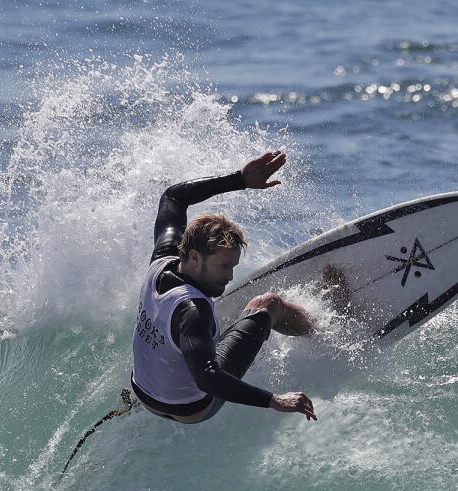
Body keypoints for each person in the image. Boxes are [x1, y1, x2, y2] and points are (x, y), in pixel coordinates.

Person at [130, 150, 318, 424]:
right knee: (268, 304)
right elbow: (208, 378)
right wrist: (274, 400)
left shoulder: (163, 257)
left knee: (187, 339)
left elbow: (173, 197)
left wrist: (239, 179)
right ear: (195, 256)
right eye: (223, 267)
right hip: (193, 408)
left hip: (142, 391)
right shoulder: (194, 312)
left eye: (232, 266)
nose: (230, 276)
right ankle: (320, 328)